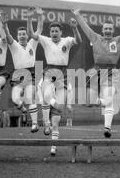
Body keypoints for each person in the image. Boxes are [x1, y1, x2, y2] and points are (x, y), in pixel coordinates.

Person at [72, 0, 120, 137]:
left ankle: (107, 128)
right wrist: (78, 16)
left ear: (113, 30)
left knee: (109, 100)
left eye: (110, 29)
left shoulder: (119, 40)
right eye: (106, 29)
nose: (108, 31)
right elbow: (85, 27)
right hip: (96, 71)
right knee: (89, 101)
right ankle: (99, 102)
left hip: (111, 73)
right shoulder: (95, 37)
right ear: (102, 30)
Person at [27, 15, 82, 156]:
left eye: (56, 31)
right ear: (50, 32)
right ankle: (49, 116)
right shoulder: (45, 40)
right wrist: (29, 19)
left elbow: (79, 41)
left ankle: (53, 146)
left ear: (61, 32)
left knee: (56, 121)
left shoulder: (67, 41)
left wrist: (75, 28)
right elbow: (31, 34)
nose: (54, 33)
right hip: (49, 71)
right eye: (52, 31)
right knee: (45, 94)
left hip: (62, 75)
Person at [0, 7, 44, 133]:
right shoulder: (13, 45)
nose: (22, 36)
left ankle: (35, 124)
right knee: (15, 99)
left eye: (24, 34)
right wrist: (4, 24)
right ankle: (21, 107)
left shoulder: (32, 43)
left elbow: (39, 29)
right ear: (17, 36)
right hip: (18, 74)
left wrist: (38, 16)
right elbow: (7, 35)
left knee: (31, 97)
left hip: (31, 73)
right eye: (20, 34)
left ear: (26, 35)